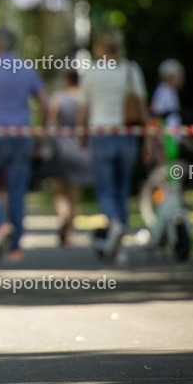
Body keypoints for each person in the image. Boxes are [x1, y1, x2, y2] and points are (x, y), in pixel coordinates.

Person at [0, 27, 47, 261]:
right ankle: (15, 248)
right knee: (17, 191)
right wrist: (41, 132)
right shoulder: (27, 69)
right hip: (22, 135)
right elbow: (45, 103)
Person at [77, 27, 147, 263]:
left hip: (101, 134)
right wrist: (147, 138)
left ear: (99, 47)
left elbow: (83, 108)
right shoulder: (130, 69)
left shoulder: (91, 73)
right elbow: (141, 104)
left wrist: (81, 136)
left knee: (105, 189)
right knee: (122, 190)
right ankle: (120, 249)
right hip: (127, 134)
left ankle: (115, 224)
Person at [46, 71, 93, 246]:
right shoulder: (84, 99)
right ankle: (70, 229)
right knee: (75, 191)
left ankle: (64, 220)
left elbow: (50, 121)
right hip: (80, 147)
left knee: (60, 190)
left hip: (61, 147)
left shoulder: (58, 97)